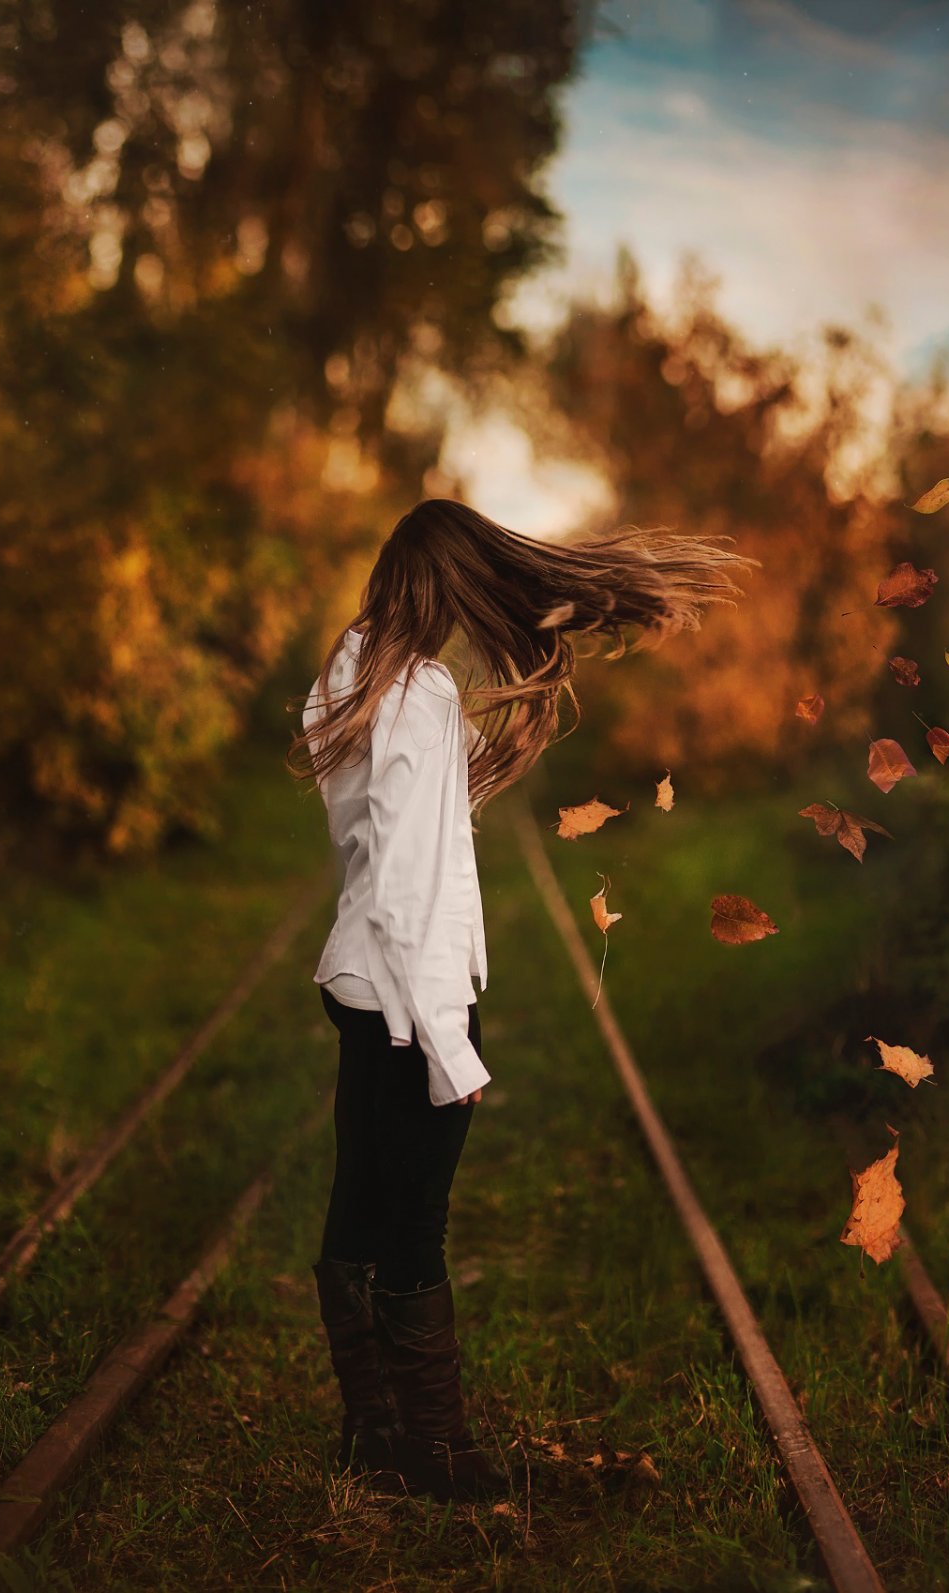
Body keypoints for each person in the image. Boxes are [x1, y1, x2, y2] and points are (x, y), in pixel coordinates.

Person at [286, 498, 756, 1504]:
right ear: (453, 584)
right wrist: (451, 1051)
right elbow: (414, 888)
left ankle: (373, 1436)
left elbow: (383, 859)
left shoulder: (351, 671)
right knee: (414, 1222)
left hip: (359, 984)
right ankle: (437, 1450)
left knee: (358, 1205)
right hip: (411, 998)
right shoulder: (416, 695)